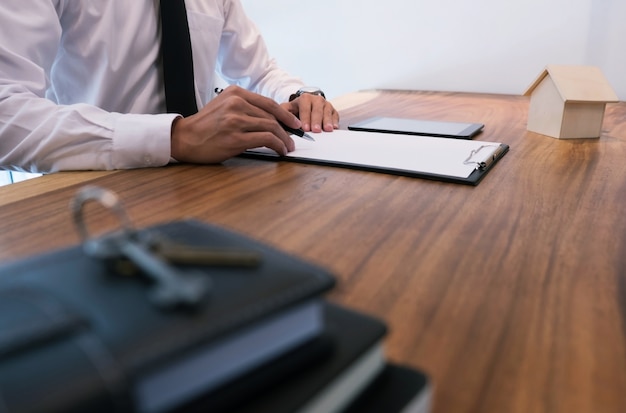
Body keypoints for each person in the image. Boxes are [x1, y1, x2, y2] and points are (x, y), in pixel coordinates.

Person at [0, 0, 339, 173]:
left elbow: (259, 71)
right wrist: (173, 137)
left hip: (207, 184)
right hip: (91, 190)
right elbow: (5, 115)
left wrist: (296, 95)